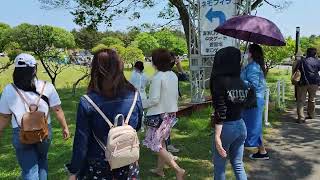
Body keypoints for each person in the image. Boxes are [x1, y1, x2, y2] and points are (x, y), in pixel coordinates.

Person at [66, 49, 143, 180]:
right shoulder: (135, 95)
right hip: (128, 161)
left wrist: (74, 170)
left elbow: (81, 142)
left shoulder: (88, 101)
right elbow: (137, 126)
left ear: (95, 70)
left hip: (99, 164)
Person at [0, 53, 70, 180]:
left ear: (16, 70)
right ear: (35, 69)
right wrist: (65, 127)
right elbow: (57, 109)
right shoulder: (47, 86)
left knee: (29, 168)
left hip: (21, 133)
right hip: (44, 131)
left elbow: (4, 117)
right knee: (42, 161)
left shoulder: (9, 90)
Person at [143, 48, 185, 180]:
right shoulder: (173, 75)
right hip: (170, 114)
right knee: (162, 142)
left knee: (154, 145)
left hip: (159, 115)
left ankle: (178, 170)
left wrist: (140, 103)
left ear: (155, 62)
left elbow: (154, 100)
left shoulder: (158, 77)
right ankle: (160, 170)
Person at [210, 47, 248, 180]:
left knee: (219, 166)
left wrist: (217, 136)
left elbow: (222, 111)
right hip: (241, 125)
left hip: (226, 127)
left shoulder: (218, 80)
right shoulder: (241, 81)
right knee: (238, 164)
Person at [241, 44, 269, 160]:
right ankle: (262, 151)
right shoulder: (253, 66)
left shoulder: (253, 67)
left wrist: (240, 80)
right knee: (254, 126)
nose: (246, 53)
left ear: (251, 53)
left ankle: (238, 151)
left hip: (253, 100)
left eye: (247, 51)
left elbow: (252, 85)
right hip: (255, 100)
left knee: (250, 126)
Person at [294, 48, 320, 123]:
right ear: (315, 54)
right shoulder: (318, 61)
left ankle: (301, 118)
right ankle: (311, 114)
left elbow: (296, 70)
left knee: (301, 100)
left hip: (303, 82)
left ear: (307, 53)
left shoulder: (302, 61)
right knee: (312, 99)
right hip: (314, 83)